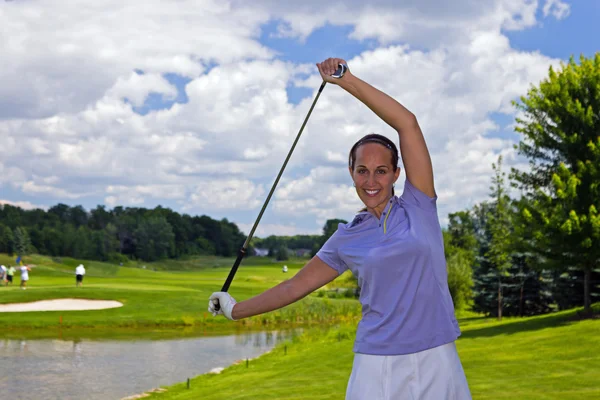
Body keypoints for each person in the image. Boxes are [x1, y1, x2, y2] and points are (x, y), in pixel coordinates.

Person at [208, 57, 471, 399]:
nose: (371, 180)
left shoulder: (419, 207)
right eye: (362, 170)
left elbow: (407, 124)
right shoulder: (347, 237)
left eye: (381, 170)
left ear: (396, 173)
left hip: (437, 357)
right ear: (351, 173)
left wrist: (346, 80)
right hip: (376, 365)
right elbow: (294, 287)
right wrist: (233, 308)